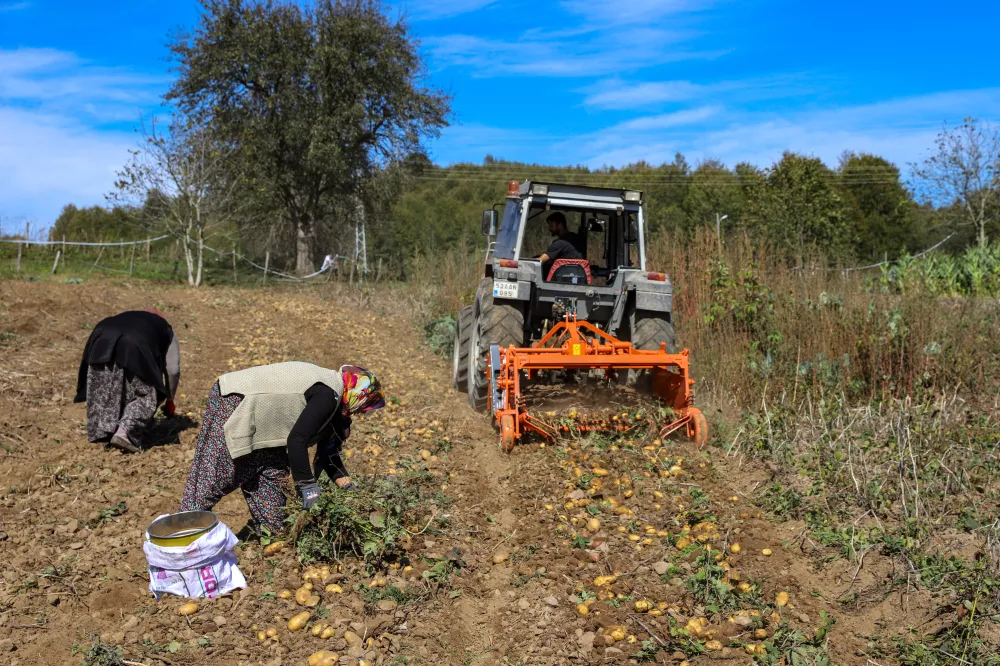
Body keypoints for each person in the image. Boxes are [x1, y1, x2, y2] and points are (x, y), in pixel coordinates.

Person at [179, 361, 385, 535]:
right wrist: (308, 487)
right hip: (236, 399)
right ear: (359, 393)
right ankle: (181, 536)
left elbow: (328, 454)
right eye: (366, 404)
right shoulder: (328, 393)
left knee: (273, 503)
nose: (363, 412)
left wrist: (350, 489)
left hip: (269, 425)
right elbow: (297, 440)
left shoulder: (337, 407)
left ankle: (270, 531)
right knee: (217, 475)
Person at [74, 308, 180, 453]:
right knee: (144, 394)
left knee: (103, 385)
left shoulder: (126, 317)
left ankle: (105, 432)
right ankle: (124, 433)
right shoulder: (165, 329)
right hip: (133, 345)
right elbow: (173, 370)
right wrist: (170, 399)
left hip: (100, 336)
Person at [537, 212, 584, 277]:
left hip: (562, 277)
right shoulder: (575, 238)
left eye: (551, 225)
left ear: (560, 225)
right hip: (577, 275)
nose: (549, 228)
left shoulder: (560, 243)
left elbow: (540, 260)